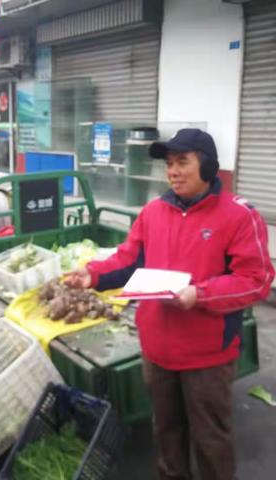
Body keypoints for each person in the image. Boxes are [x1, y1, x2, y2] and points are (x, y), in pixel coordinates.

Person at [65, 128, 274, 480]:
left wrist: (201, 294)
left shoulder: (239, 216)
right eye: (168, 164)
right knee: (165, 433)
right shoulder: (153, 213)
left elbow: (256, 280)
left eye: (182, 162)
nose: (173, 171)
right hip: (157, 350)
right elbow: (129, 260)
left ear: (207, 167)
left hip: (207, 355)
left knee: (211, 440)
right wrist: (93, 275)